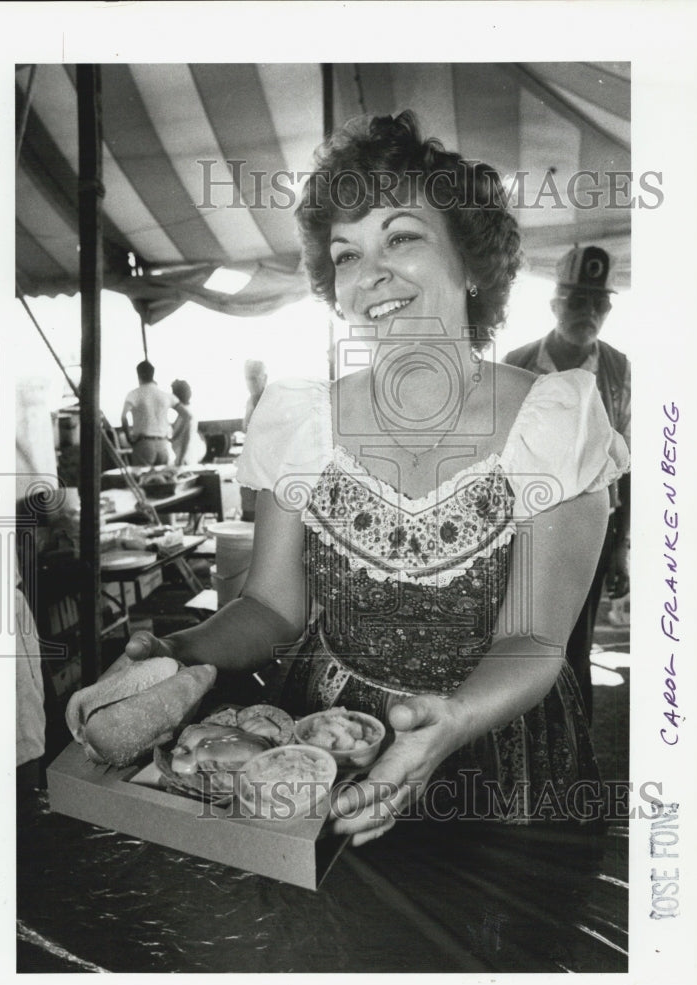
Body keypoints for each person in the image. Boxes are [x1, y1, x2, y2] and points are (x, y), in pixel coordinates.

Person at [117, 112, 628, 844]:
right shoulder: (301, 420)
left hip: (493, 743)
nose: (371, 273)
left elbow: (532, 641)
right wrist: (177, 652)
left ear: (472, 261)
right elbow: (269, 606)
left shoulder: (555, 421)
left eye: (402, 237)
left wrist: (453, 719)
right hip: (322, 737)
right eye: (346, 254)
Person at [503, 247, 631, 724]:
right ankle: (521, 742)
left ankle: (573, 753)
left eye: (598, 303)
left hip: (593, 533)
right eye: (577, 301)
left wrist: (620, 549)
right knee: (523, 639)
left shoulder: (619, 370)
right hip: (525, 530)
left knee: (578, 646)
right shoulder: (517, 362)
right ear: (554, 303)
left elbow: (628, 466)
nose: (588, 312)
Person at [120, 360, 175, 466]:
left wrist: (129, 438)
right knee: (162, 479)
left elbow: (123, 416)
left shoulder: (134, 394)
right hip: (163, 444)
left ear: (138, 374)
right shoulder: (164, 395)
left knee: (143, 480)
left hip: (144, 444)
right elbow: (187, 415)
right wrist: (174, 434)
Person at [240, 359, 268, 521]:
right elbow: (246, 428)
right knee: (248, 511)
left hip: (267, 465)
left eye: (253, 378)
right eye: (247, 378)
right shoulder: (250, 401)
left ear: (264, 378)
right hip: (251, 463)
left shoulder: (272, 399)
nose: (249, 383)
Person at [170, 378, 198, 465]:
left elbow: (187, 437)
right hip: (183, 456)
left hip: (184, 458)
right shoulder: (186, 413)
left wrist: (180, 459)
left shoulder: (186, 415)